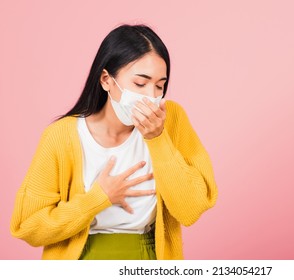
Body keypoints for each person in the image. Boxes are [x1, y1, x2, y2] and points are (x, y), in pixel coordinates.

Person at [10, 24, 218, 260]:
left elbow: (190, 210)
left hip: (147, 257)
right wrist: (99, 197)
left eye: (160, 86)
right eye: (140, 84)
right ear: (107, 79)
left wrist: (157, 139)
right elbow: (28, 227)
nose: (151, 96)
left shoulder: (171, 120)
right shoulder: (60, 136)